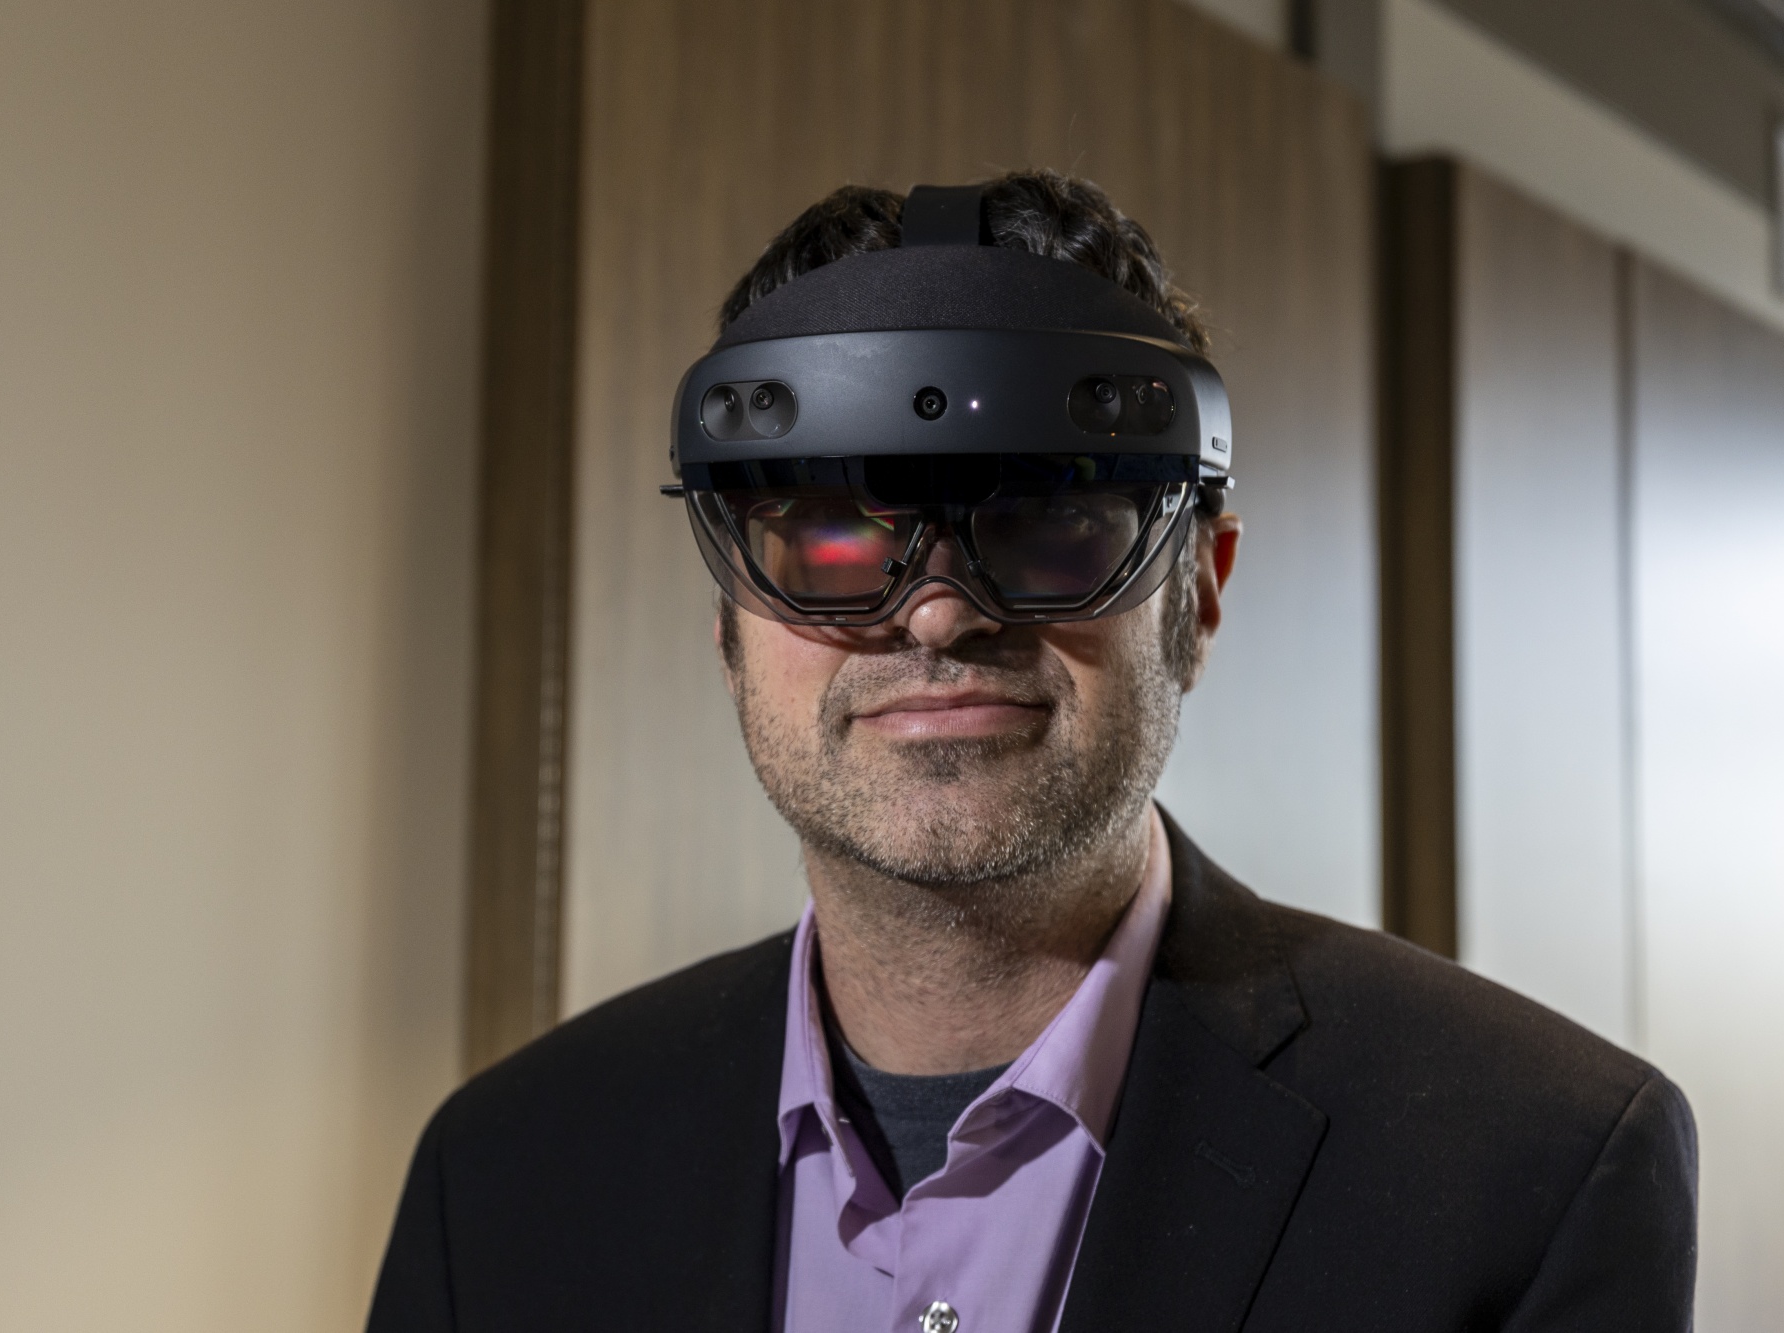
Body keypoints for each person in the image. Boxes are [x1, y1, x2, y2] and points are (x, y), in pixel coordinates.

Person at [367, 171, 1697, 1333]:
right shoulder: (501, 1185)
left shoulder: (1530, 1171)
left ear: (1200, 593)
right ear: (728, 621)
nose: (937, 611)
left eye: (1051, 525)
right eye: (831, 534)